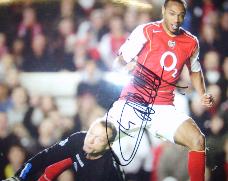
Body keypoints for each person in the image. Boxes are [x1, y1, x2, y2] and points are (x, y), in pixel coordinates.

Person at [106, 1, 215, 181]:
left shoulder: (191, 42)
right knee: (96, 141)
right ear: (164, 11)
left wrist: (202, 93)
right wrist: (125, 69)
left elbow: (195, 71)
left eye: (181, 15)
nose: (177, 19)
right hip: (134, 102)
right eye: (172, 14)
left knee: (197, 140)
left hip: (163, 107)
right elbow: (119, 62)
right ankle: (48, 174)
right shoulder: (146, 31)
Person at [3, 119, 125, 181]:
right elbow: (45, 156)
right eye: (91, 133)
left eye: (99, 139)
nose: (90, 140)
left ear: (109, 145)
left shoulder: (108, 170)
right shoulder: (79, 139)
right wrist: (19, 177)